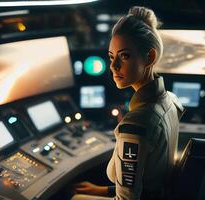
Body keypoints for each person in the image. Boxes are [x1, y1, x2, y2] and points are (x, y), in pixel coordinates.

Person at [71, 6, 185, 200]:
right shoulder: (170, 101)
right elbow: (148, 181)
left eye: (124, 56)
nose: (114, 66)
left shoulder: (136, 124)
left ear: (149, 57)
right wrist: (100, 191)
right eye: (111, 57)